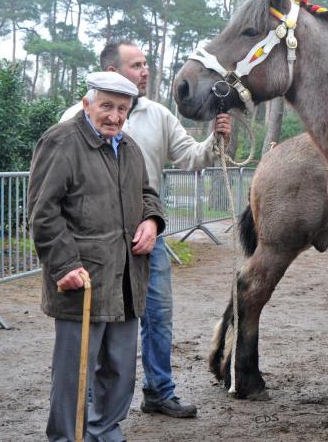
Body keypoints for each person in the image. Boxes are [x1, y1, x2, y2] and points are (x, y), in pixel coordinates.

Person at [60, 40, 232, 418]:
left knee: (158, 315)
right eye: (136, 65)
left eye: (145, 64)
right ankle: (86, 402)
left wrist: (215, 139)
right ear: (110, 70)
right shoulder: (74, 118)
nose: (145, 71)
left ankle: (158, 391)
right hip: (95, 243)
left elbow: (189, 157)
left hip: (147, 236)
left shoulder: (159, 116)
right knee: (98, 320)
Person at [31, 72, 166, 441]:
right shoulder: (61, 142)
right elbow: (43, 212)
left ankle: (105, 432)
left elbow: (147, 193)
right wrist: (63, 265)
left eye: (122, 109)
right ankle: (65, 438)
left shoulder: (130, 148)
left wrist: (152, 221)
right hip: (82, 280)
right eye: (106, 106)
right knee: (75, 372)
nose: (114, 116)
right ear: (87, 103)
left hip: (127, 278)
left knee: (121, 369)